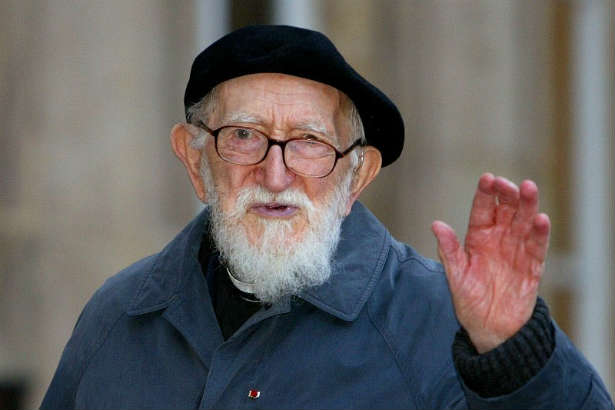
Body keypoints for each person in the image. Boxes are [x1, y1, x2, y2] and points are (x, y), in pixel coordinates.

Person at [41, 25, 613, 410]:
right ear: (196, 162)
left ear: (356, 176)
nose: (275, 174)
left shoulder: (443, 325)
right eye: (243, 136)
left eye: (310, 142)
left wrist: (512, 355)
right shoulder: (118, 316)